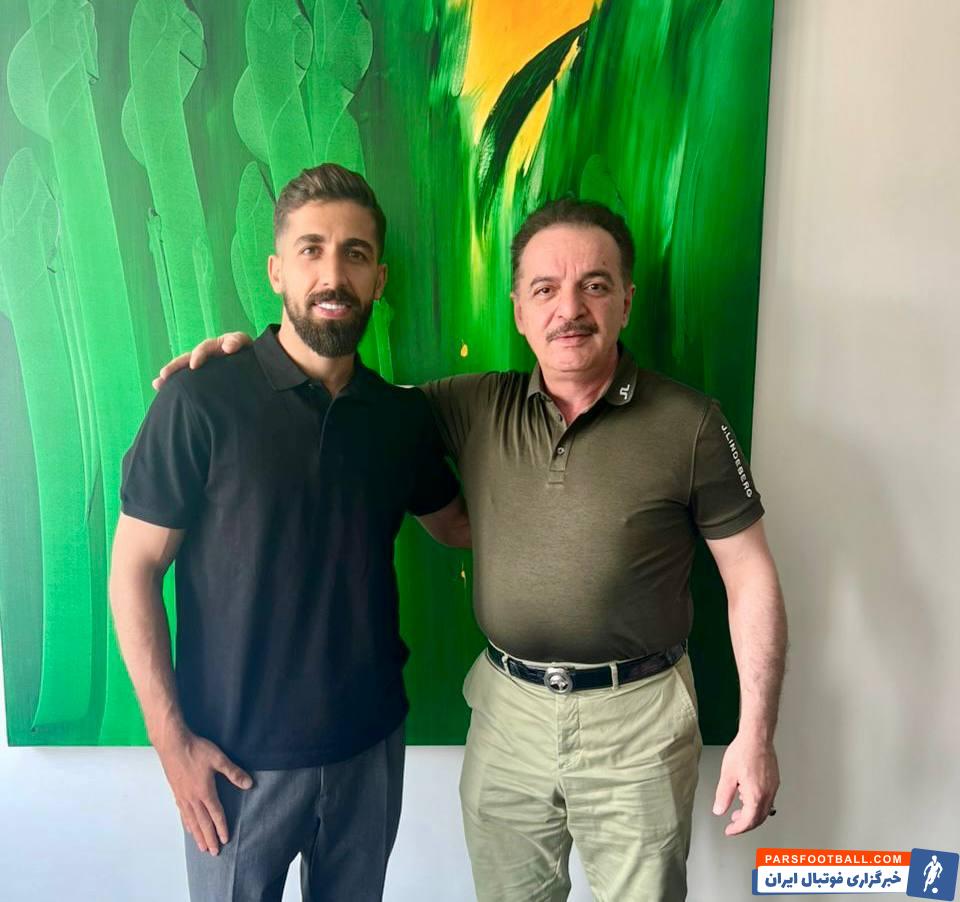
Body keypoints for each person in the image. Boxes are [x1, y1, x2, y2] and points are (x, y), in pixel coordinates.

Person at [157, 197, 787, 901]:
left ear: (626, 301)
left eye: (594, 285)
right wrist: (244, 361)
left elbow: (750, 576)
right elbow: (345, 391)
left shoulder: (692, 423)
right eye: (545, 289)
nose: (569, 309)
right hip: (507, 718)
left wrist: (755, 734)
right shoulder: (474, 405)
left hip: (637, 721)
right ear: (518, 310)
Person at [110, 163, 469, 902]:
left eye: (355, 254)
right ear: (277, 271)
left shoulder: (400, 420)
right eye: (311, 250)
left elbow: (458, 527)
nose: (333, 275)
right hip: (235, 767)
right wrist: (170, 743)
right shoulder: (199, 399)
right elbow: (133, 571)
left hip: (370, 751)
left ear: (379, 279)